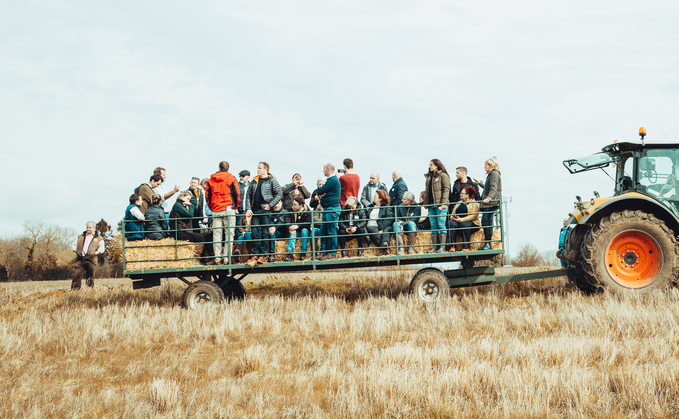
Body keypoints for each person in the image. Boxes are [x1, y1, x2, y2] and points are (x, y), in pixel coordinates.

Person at [244, 162, 283, 263]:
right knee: (255, 232)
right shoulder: (254, 181)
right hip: (255, 211)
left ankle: (262, 255)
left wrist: (270, 204)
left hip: (265, 210)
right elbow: (248, 195)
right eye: (257, 168)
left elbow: (279, 193)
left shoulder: (271, 181)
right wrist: (248, 208)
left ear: (265, 170)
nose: (257, 170)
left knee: (265, 233)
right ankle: (255, 254)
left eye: (259, 168)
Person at [206, 161, 241, 264]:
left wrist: (212, 207)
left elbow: (208, 196)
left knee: (216, 235)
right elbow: (237, 194)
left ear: (219, 168)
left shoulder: (211, 180)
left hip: (216, 210)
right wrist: (235, 206)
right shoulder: (231, 178)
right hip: (229, 209)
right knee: (229, 235)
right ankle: (226, 258)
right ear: (228, 168)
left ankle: (217, 258)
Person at [423, 159, 451, 253]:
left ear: (437, 166)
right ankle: (435, 247)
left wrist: (444, 203)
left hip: (440, 204)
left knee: (441, 224)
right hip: (431, 204)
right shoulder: (429, 177)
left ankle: (442, 247)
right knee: (434, 225)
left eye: (431, 165)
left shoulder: (443, 175)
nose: (429, 166)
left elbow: (446, 189)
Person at [315, 163, 341, 260]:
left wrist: (321, 193)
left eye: (324, 169)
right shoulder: (332, 180)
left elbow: (320, 191)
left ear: (328, 169)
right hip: (328, 209)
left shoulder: (332, 180)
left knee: (330, 231)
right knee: (323, 231)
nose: (323, 171)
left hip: (331, 209)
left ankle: (331, 253)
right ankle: (323, 252)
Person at [70, 221, 105, 290]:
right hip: (80, 259)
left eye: (90, 227)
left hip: (91, 260)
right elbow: (74, 245)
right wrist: (75, 250)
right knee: (77, 275)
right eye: (87, 227)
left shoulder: (99, 238)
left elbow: (102, 248)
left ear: (94, 228)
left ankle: (89, 291)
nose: (88, 229)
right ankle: (74, 291)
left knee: (90, 277)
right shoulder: (80, 237)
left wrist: (96, 253)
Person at [478, 158, 502, 250]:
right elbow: (488, 188)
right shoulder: (491, 175)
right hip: (490, 203)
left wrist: (489, 198)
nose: (484, 167)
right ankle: (488, 244)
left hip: (492, 203)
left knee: (486, 221)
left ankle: (488, 243)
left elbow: (493, 188)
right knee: (486, 221)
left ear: (491, 165)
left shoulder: (494, 174)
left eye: (486, 165)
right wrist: (480, 184)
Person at [447, 186, 481, 251]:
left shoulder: (474, 203)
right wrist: (453, 218)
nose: (460, 194)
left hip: (471, 223)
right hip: (458, 222)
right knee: (451, 223)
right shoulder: (458, 203)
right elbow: (452, 214)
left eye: (462, 193)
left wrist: (461, 220)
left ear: (467, 195)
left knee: (464, 224)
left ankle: (466, 247)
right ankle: (452, 246)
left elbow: (474, 216)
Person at [365, 190, 395, 254]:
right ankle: (383, 249)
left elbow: (389, 219)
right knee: (374, 233)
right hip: (372, 225)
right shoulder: (370, 207)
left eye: (375, 196)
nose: (373, 197)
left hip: (381, 225)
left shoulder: (387, 206)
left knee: (387, 230)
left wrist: (381, 229)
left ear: (380, 198)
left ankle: (385, 244)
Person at [285, 196, 312, 261]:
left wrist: (297, 226)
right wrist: (290, 227)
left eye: (295, 205)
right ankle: (290, 254)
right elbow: (287, 221)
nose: (293, 206)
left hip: (303, 231)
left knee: (305, 231)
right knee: (292, 232)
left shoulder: (307, 211)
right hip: (294, 231)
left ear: (301, 205)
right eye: (293, 204)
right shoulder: (290, 210)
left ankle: (303, 253)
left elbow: (308, 223)